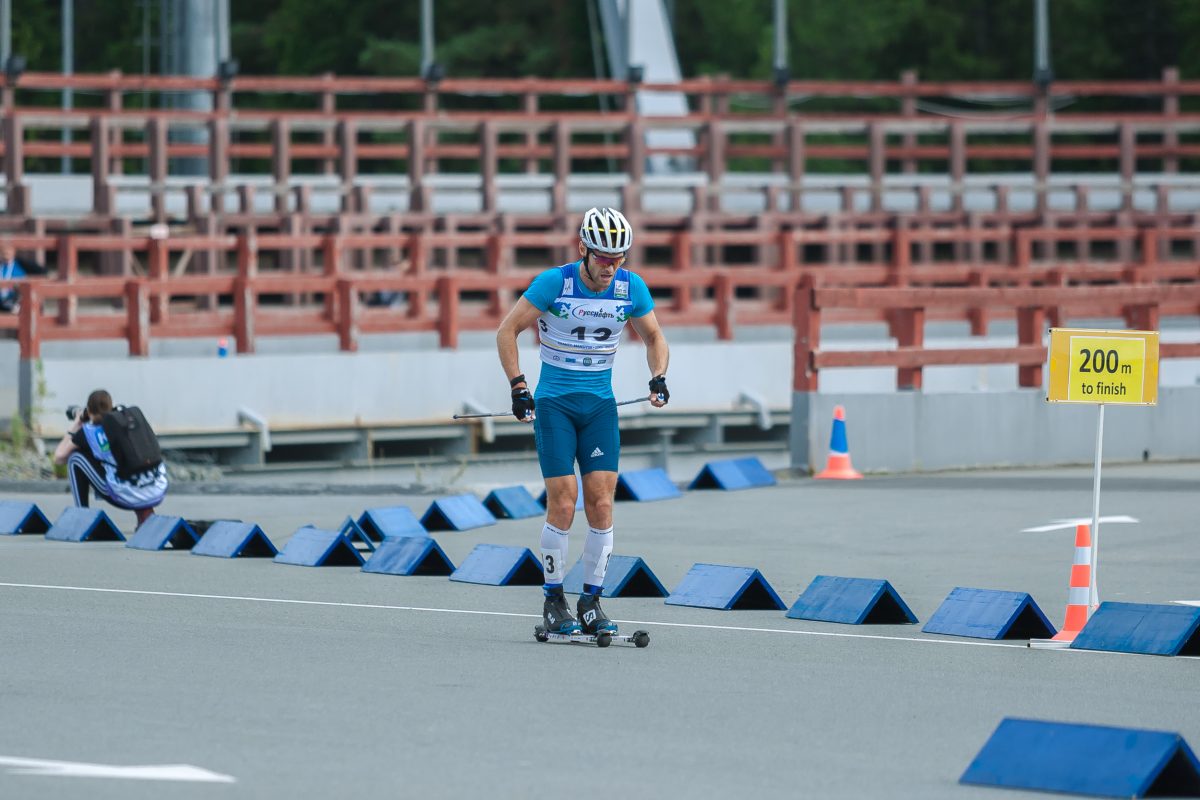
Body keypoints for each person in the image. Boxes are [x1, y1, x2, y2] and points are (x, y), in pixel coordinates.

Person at [496, 207, 670, 636]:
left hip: (599, 408)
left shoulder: (630, 287)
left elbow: (654, 336)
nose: (611, 267)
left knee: (602, 503)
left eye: (619, 258)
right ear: (583, 250)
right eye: (604, 258)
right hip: (555, 405)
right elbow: (506, 331)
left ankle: (591, 601)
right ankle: (553, 601)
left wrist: (658, 377)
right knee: (563, 502)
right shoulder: (555, 283)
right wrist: (518, 386)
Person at [53, 389, 169, 527]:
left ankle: (82, 517)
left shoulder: (88, 432)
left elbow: (59, 457)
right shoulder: (127, 422)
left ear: (89, 411)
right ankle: (145, 516)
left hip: (125, 496)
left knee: (75, 458)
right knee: (129, 462)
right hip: (157, 488)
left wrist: (76, 424)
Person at [0, 240, 47, 314]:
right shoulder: (1, 266)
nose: (6, 252)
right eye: (3, 250)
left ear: (14, 251)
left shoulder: (21, 264)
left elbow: (42, 272)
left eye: (9, 250)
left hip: (17, 299)